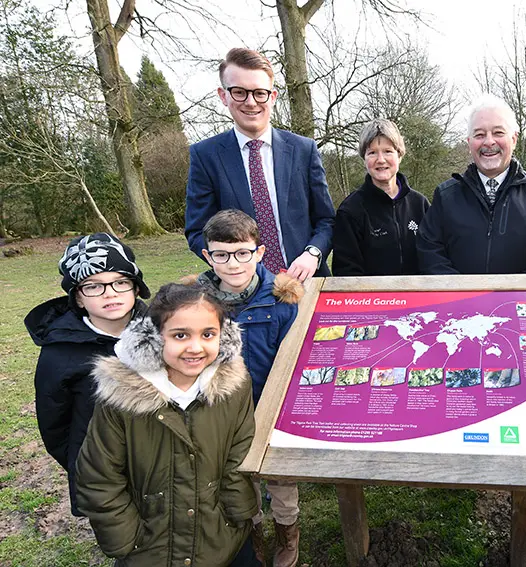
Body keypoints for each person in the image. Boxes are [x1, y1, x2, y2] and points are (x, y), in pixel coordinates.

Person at [75, 284, 259, 567]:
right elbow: (99, 475)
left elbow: (240, 451)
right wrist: (126, 539)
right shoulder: (121, 397)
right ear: (153, 339)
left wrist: (235, 512)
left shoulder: (234, 386)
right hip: (150, 549)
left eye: (208, 334)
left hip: (222, 539)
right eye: (180, 335)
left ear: (224, 337)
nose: (195, 347)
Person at [188, 209, 304, 567]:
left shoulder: (282, 301)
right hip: (221, 412)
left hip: (271, 408)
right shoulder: (193, 304)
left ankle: (288, 531)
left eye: (242, 253)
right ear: (208, 256)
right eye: (221, 255)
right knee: (236, 478)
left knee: (280, 480)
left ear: (259, 252)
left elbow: (294, 357)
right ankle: (250, 531)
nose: (233, 263)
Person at [24, 233, 150, 517]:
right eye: (93, 286)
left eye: (120, 282)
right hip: (104, 472)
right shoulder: (60, 353)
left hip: (163, 463)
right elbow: (55, 425)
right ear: (78, 298)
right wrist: (86, 465)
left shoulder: (163, 331)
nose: (110, 293)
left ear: (136, 287)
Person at [185, 47, 335, 281]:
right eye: (239, 92)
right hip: (241, 294)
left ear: (272, 96)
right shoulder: (205, 156)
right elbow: (196, 231)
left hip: (306, 284)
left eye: (259, 93)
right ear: (223, 96)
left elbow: (326, 220)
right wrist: (232, 264)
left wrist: (313, 253)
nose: (251, 102)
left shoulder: (304, 150)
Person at [417, 94, 526, 274]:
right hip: (461, 301)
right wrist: (460, 294)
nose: (489, 142)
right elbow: (430, 252)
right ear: (469, 142)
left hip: (523, 300)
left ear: (514, 139)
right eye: (479, 134)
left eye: (498, 133)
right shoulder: (445, 195)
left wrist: (514, 292)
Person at [332, 119, 430, 276]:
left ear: (399, 155)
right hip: (374, 299)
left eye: (387, 151)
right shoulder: (350, 211)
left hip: (420, 297)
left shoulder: (420, 204)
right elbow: (346, 272)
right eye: (372, 152)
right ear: (364, 158)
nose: (381, 159)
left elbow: (433, 257)